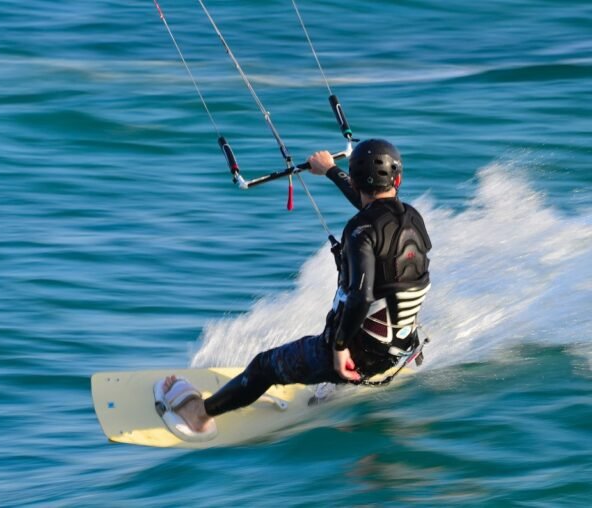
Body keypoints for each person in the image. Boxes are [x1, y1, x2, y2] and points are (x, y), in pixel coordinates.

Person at [155, 139, 432, 441]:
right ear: (398, 179)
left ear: (355, 180)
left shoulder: (360, 230)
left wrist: (339, 348)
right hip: (400, 349)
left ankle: (197, 415)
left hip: (362, 354)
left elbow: (360, 297)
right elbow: (374, 210)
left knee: (263, 367)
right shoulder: (412, 218)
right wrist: (330, 170)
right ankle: (333, 387)